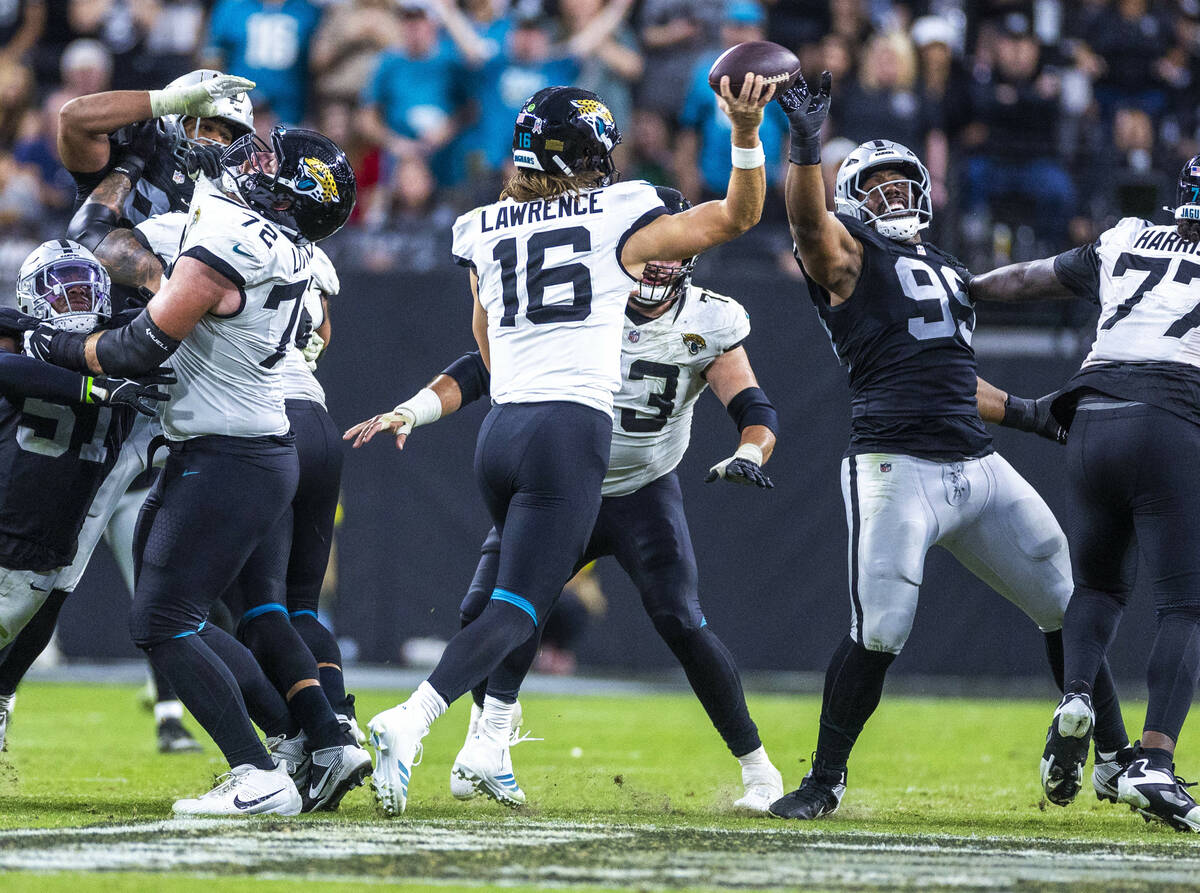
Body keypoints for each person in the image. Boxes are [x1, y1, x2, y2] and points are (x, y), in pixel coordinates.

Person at [356, 76, 776, 815]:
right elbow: (740, 215)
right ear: (595, 155)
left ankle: (487, 746)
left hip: (529, 443)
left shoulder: (480, 226)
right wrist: (744, 128)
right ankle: (415, 719)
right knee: (514, 609)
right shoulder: (623, 211)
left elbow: (488, 350)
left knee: (544, 602)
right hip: (568, 439)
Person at [766, 72, 1129, 820]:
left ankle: (1119, 760)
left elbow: (954, 377)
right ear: (850, 197)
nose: (895, 196)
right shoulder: (847, 257)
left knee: (1067, 601)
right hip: (896, 465)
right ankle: (824, 778)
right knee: (882, 628)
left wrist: (1030, 413)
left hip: (977, 463)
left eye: (905, 184)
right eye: (879, 186)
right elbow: (806, 227)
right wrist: (805, 146)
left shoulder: (947, 267)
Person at [24, 125, 368, 816]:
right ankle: (306, 737)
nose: (253, 158)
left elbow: (132, 347)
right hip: (238, 444)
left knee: (164, 621)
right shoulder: (270, 235)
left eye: (273, 161)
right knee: (211, 612)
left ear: (287, 193)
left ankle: (257, 770)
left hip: (230, 453)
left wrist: (47, 342)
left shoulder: (232, 243)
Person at [4, 69, 258, 754]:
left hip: (189, 383)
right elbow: (76, 121)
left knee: (225, 568)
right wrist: (167, 102)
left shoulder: (240, 198)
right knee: (52, 555)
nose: (217, 141)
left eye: (231, 131)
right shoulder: (138, 159)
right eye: (206, 123)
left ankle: (298, 720)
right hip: (101, 364)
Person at [968, 156, 1200, 831]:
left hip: (1091, 418)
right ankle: (1153, 760)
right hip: (1173, 422)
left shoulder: (1127, 235)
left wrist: (962, 288)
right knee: (1186, 604)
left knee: (1097, 588)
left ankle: (1077, 697)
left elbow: (1026, 278)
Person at [0, 239, 169, 687]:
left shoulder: (122, 342)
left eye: (83, 287)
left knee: (47, 605)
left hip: (53, 539)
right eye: (62, 288)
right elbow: (8, 367)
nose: (75, 298)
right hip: (10, 520)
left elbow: (161, 324)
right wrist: (96, 389)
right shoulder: (23, 339)